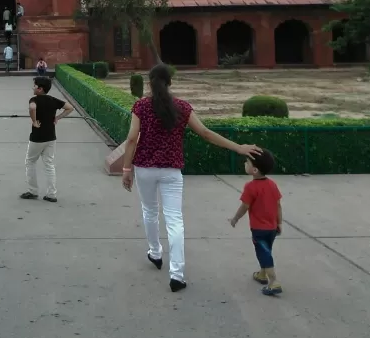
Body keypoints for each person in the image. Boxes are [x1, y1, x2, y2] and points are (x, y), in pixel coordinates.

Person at [121, 64, 261, 292]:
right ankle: (177, 274)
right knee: (174, 220)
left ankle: (155, 253)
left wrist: (127, 170)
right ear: (170, 83)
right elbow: (205, 133)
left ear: (150, 82)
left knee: (149, 211)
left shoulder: (141, 106)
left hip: (145, 168)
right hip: (171, 171)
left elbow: (131, 139)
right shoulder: (182, 107)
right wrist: (238, 147)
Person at [230, 149, 283, 296]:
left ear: (254, 170)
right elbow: (278, 205)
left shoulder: (250, 187)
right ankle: (262, 274)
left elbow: (245, 206)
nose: (244, 163)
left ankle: (274, 281)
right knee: (266, 251)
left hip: (259, 229)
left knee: (263, 253)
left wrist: (235, 218)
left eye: (247, 162)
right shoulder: (272, 184)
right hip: (272, 227)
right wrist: (279, 223)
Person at [20, 76, 73, 203]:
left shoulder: (34, 99)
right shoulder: (53, 100)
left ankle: (33, 191)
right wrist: (58, 117)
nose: (32, 88)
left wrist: (34, 121)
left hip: (37, 137)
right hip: (51, 137)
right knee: (49, 164)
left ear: (40, 88)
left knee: (30, 162)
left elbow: (32, 108)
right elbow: (70, 107)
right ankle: (51, 194)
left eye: (34, 85)